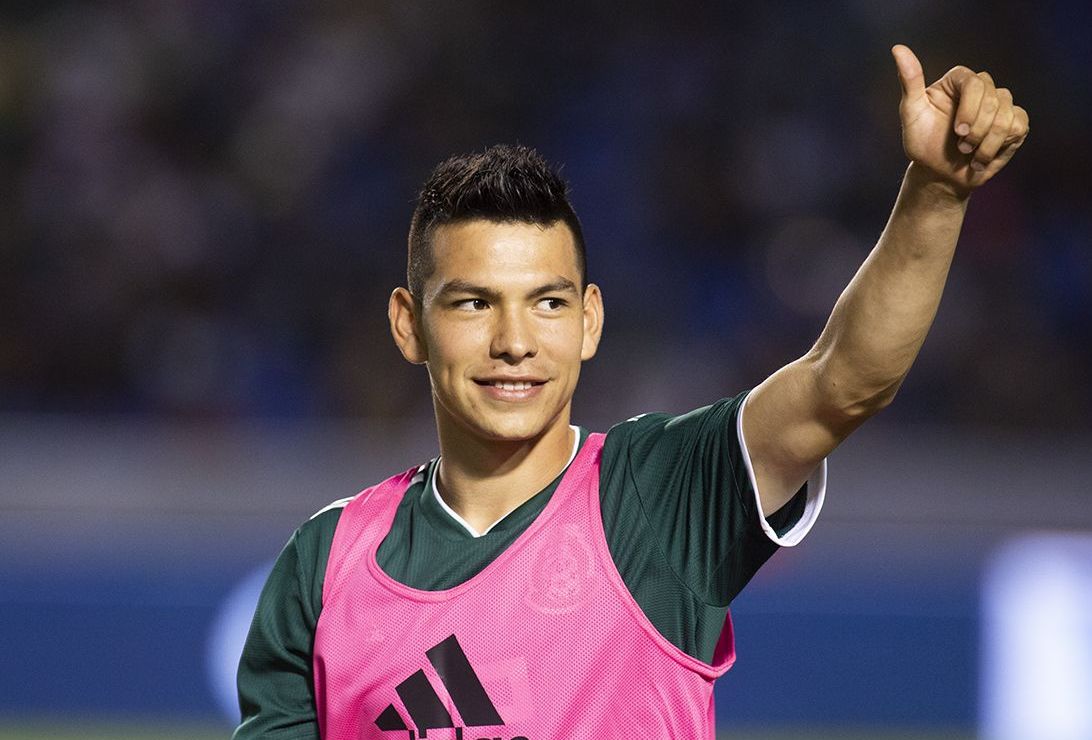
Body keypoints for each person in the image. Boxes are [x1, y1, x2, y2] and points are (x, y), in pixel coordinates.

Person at [232, 44, 1029, 738]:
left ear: (589, 321)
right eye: (473, 303)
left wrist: (936, 193)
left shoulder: (658, 494)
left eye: (547, 304)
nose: (514, 341)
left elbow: (843, 383)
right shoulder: (326, 565)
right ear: (409, 326)